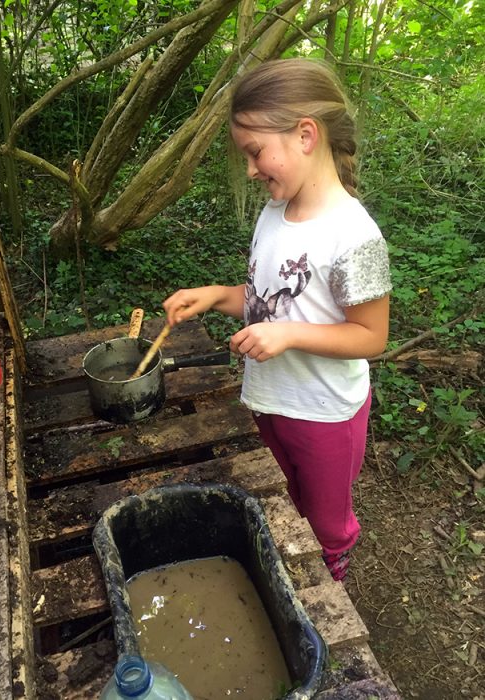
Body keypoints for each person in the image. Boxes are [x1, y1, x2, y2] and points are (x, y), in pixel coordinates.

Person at [162, 58, 392, 582]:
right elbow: (272, 303)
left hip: (326, 416)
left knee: (327, 519)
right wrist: (218, 295)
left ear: (306, 135)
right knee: (286, 501)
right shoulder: (275, 212)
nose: (250, 169)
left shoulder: (355, 236)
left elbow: (371, 336)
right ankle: (290, 571)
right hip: (270, 400)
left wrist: (287, 336)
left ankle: (331, 575)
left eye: (255, 153)